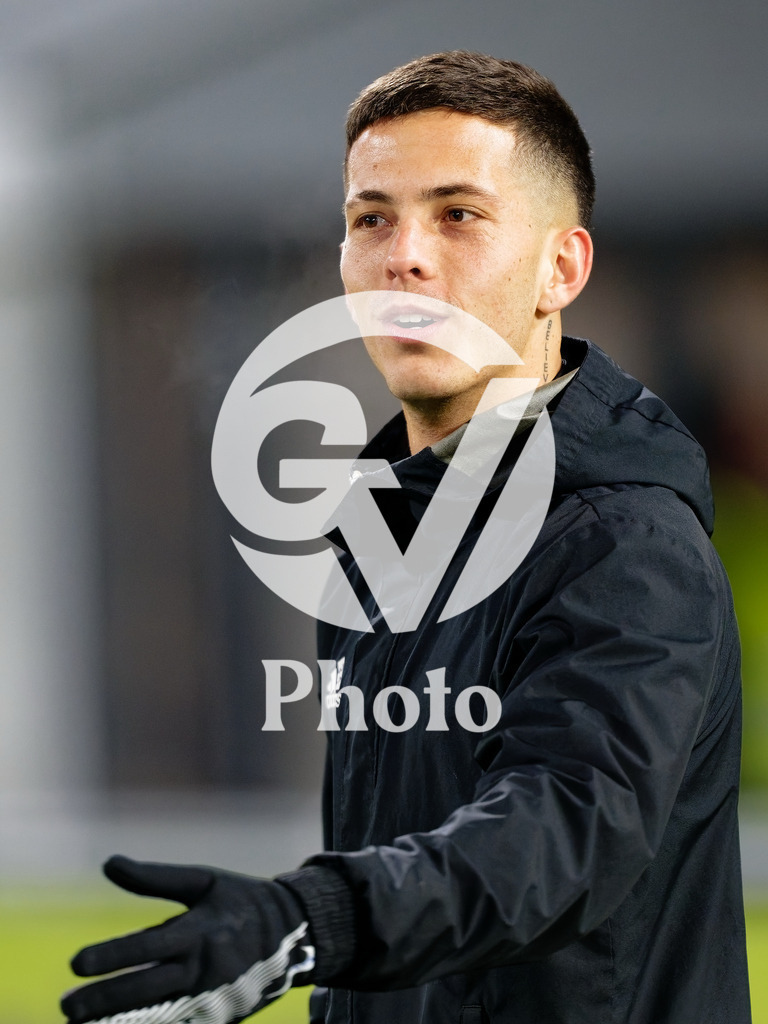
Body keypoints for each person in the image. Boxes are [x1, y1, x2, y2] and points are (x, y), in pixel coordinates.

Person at [62, 51, 751, 1024]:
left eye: (458, 214)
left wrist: (313, 914)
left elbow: (561, 839)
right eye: (370, 218)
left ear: (563, 266)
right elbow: (415, 873)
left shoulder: (623, 544)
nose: (405, 256)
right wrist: (286, 960)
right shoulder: (382, 542)